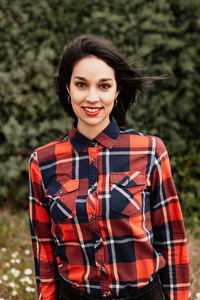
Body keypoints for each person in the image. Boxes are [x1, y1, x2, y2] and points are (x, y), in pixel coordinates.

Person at [29, 34, 190, 300]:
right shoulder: (43, 161)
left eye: (104, 86)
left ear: (117, 91)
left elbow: (172, 241)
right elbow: (43, 250)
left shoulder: (150, 151)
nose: (92, 97)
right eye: (81, 84)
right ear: (68, 88)